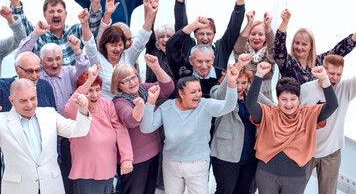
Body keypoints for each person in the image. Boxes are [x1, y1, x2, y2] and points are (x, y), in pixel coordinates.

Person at [0, 78, 92, 194]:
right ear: (12, 101)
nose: (29, 104)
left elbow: (79, 130)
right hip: (18, 189)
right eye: (23, 100)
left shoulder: (49, 114)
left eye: (33, 98)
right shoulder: (0, 120)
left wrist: (83, 110)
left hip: (51, 186)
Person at [140, 64, 238, 194]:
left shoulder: (205, 105)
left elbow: (229, 106)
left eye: (199, 90)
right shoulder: (167, 107)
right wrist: (150, 102)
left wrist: (231, 83)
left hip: (197, 164)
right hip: (171, 163)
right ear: (181, 93)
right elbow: (146, 128)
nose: (198, 94)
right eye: (193, 92)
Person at [245, 62, 338, 194]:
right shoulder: (268, 113)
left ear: (299, 98)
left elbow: (332, 105)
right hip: (266, 174)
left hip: (296, 177)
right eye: (284, 99)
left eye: (293, 99)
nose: (289, 104)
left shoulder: (309, 114)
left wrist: (324, 78)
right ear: (277, 98)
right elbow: (250, 103)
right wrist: (259, 75)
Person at [63, 65, 133, 194]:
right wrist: (89, 79)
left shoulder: (107, 104)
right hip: (86, 173)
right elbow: (68, 109)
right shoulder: (77, 109)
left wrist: (126, 156)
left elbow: (121, 130)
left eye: (98, 89)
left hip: (107, 169)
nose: (94, 95)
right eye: (89, 90)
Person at [210, 54, 274, 194]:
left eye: (244, 82)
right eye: (237, 81)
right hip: (226, 154)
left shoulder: (251, 94)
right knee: (225, 191)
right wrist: (237, 67)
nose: (239, 86)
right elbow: (220, 96)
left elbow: (272, 107)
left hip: (249, 154)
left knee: (244, 191)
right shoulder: (218, 91)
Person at [110, 54, 174, 194]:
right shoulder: (120, 101)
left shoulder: (143, 89)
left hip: (153, 152)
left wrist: (156, 67)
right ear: (118, 85)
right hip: (135, 161)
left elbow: (167, 88)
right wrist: (145, 105)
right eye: (126, 81)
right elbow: (131, 121)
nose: (132, 82)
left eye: (133, 77)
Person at [166, 0, 253, 73]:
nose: (205, 37)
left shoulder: (221, 48)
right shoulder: (188, 46)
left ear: (214, 35)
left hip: (217, 89)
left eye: (209, 34)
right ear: (194, 34)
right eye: (201, 34)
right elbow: (181, 25)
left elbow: (234, 27)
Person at [1, 0, 102, 66]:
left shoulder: (75, 30)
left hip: (73, 86)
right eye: (51, 11)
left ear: (66, 14)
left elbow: (93, 27)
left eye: (59, 11)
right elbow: (21, 25)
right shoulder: (37, 33)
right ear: (44, 15)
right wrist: (15, 2)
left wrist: (95, 4)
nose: (56, 15)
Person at [81, 0, 158, 99]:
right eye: (113, 45)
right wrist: (84, 23)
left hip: (128, 105)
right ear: (105, 45)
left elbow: (141, 39)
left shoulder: (128, 56)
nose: (118, 49)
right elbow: (90, 46)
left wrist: (151, 15)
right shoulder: (98, 60)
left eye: (120, 44)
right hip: (105, 107)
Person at [300, 55, 356, 194]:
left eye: (339, 74)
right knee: (294, 189)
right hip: (306, 151)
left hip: (331, 153)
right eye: (331, 73)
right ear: (323, 71)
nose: (335, 78)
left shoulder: (346, 88)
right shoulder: (305, 89)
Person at [14, 20, 89, 114]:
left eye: (58, 59)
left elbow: (84, 72)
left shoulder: (70, 72)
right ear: (41, 61)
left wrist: (77, 51)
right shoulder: (36, 75)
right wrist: (35, 34)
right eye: (49, 60)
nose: (55, 64)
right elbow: (20, 57)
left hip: (69, 123)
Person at [274, 8, 356, 84]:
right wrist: (285, 22)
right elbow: (279, 48)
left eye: (304, 44)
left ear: (311, 46)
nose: (299, 47)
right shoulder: (287, 61)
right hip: (290, 100)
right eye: (297, 43)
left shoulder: (319, 61)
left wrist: (355, 36)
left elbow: (339, 50)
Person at [0, 47, 56, 111]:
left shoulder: (45, 86)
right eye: (29, 71)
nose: (34, 75)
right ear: (17, 70)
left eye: (37, 70)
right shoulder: (4, 87)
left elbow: (53, 114)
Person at [233, 10, 275, 100]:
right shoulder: (244, 54)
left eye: (260, 34)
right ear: (248, 36)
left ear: (265, 37)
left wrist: (267, 26)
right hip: (244, 102)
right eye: (253, 34)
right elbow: (237, 51)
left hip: (265, 104)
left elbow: (273, 51)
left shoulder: (268, 55)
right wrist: (249, 23)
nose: (256, 37)